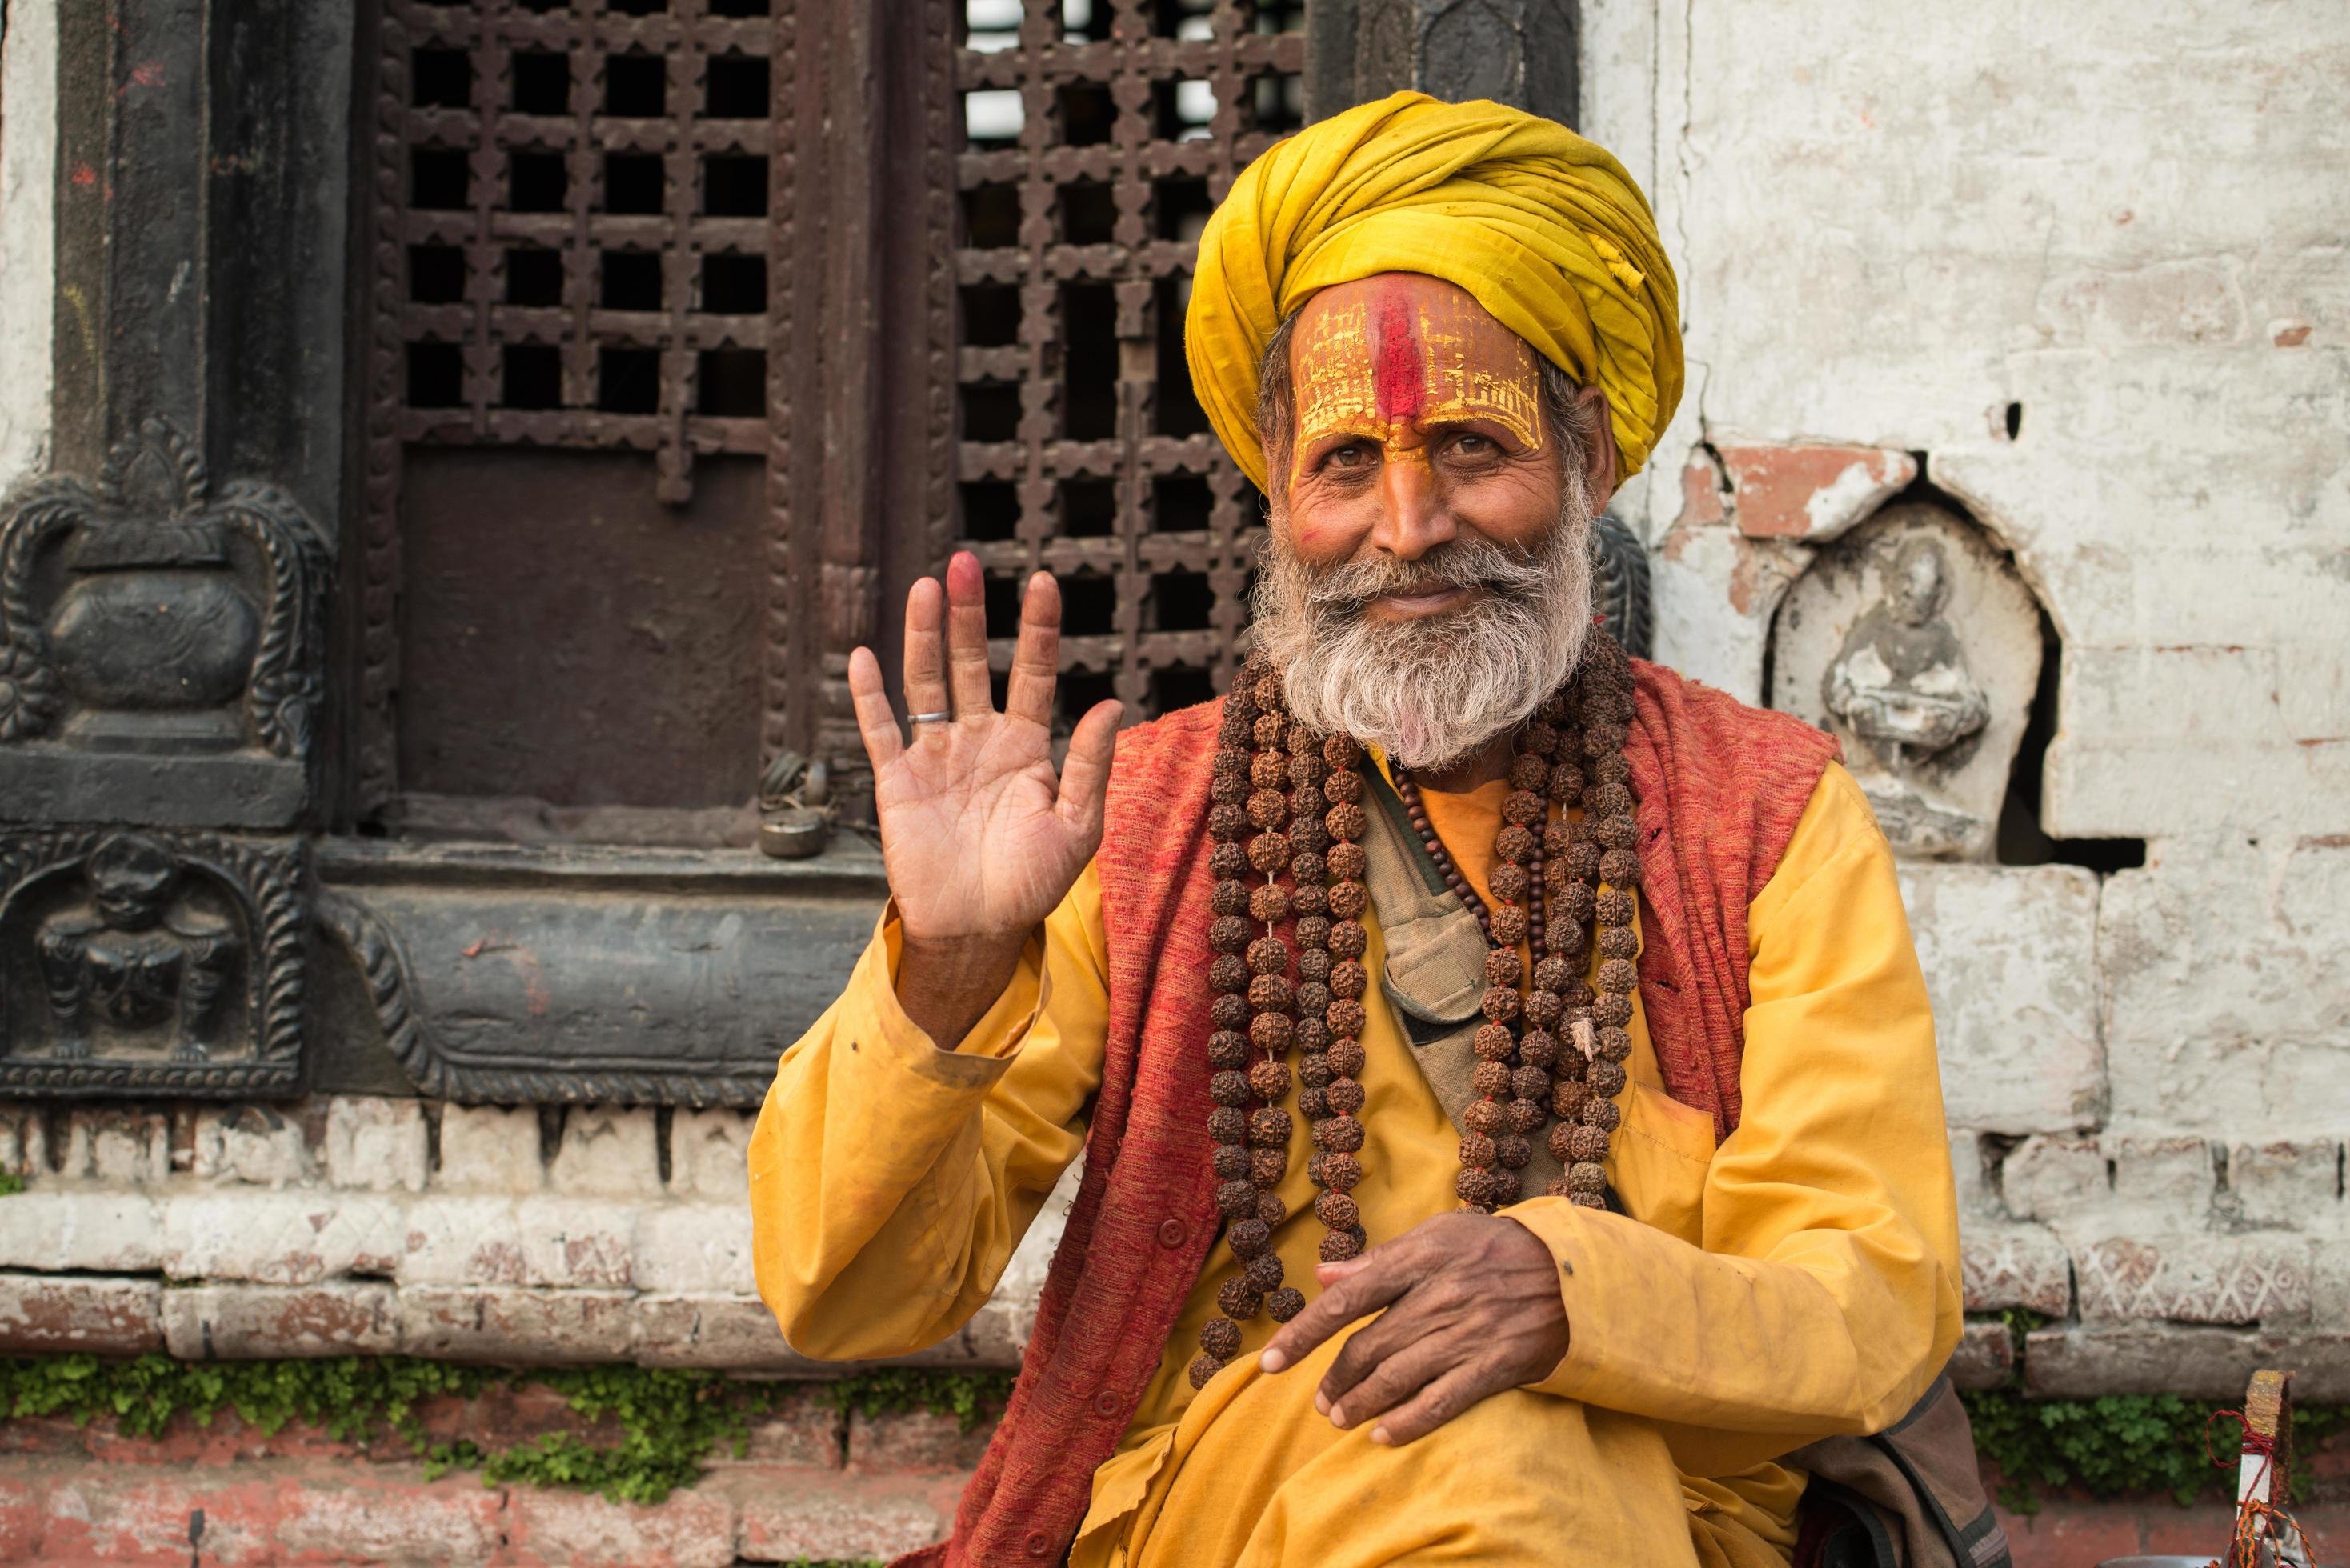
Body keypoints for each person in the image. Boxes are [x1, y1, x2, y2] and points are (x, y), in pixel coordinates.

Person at [748, 92, 1961, 1567]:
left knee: (1503, 1448)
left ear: (1582, 453)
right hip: (1226, 1496)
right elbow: (847, 1296)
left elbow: (1867, 1290)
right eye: (1342, 464)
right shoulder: (1143, 825)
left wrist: (1563, 1290)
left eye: (1468, 446)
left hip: (1655, 1511)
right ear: (1276, 489)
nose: (1406, 524)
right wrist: (948, 962)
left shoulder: (1760, 815)